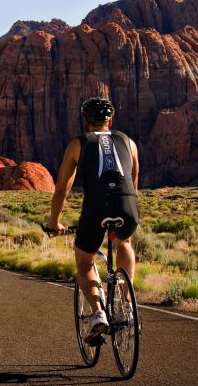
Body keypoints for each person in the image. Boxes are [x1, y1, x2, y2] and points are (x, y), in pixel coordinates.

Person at [45, 97, 140, 343]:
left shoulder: (78, 144)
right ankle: (127, 306)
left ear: (85, 122)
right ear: (111, 120)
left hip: (96, 206)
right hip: (128, 205)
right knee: (125, 242)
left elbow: (62, 189)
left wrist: (54, 222)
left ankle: (98, 314)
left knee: (85, 262)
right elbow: (133, 183)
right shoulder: (129, 143)